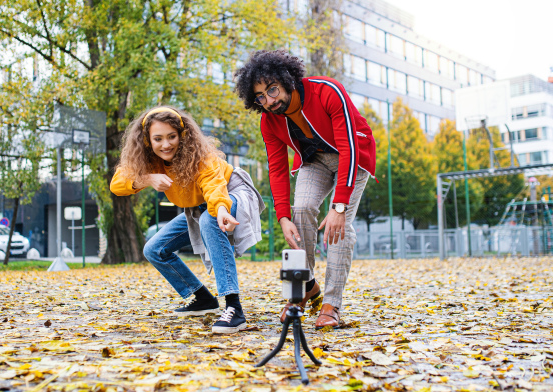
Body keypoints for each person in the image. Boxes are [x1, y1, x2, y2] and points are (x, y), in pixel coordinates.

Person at [234, 50, 376, 329]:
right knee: (300, 211)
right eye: (260, 97)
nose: (269, 101)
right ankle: (301, 291)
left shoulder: (327, 91)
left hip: (353, 156)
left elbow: (348, 147)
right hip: (314, 161)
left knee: (340, 226)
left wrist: (339, 207)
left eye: (272, 90)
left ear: (287, 80)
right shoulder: (268, 120)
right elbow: (276, 168)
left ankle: (332, 304)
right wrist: (283, 217)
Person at [110, 106, 264, 334]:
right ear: (147, 140)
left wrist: (221, 209)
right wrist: (146, 179)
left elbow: (214, 186)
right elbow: (117, 184)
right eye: (158, 138)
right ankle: (203, 298)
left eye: (172, 136)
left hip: (231, 192)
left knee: (209, 221)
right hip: (199, 207)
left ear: (182, 135)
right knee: (154, 249)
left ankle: (234, 309)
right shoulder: (149, 162)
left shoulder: (200, 156)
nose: (166, 144)